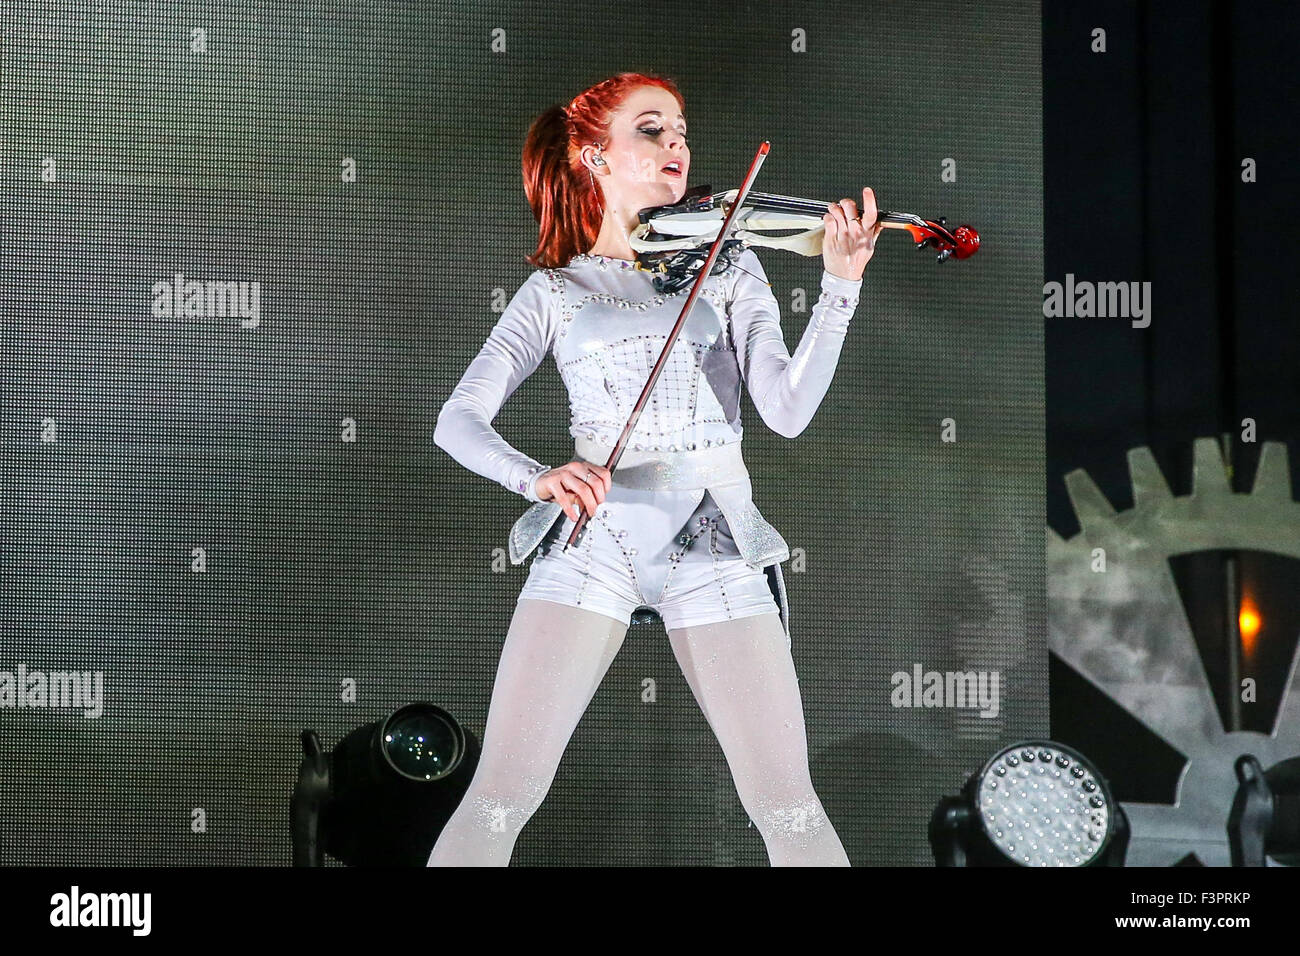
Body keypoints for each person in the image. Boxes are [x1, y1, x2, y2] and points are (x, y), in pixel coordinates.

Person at [427, 71, 881, 866]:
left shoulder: (731, 266)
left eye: (681, 130)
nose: (678, 144)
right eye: (651, 129)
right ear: (593, 155)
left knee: (790, 808)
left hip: (715, 545)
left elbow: (787, 410)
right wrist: (537, 477)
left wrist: (839, 289)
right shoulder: (556, 290)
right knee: (498, 799)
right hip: (591, 550)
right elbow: (456, 422)